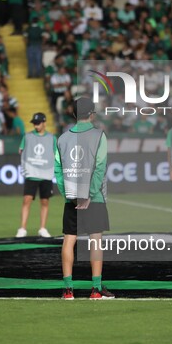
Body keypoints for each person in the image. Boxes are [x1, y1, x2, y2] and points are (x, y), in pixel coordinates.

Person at [55, 97, 114, 300]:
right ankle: (96, 289)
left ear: (73, 114)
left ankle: (68, 290)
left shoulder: (62, 138)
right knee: (95, 240)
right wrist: (88, 194)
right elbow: (100, 168)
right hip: (94, 197)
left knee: (68, 240)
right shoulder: (99, 135)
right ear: (91, 114)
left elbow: (58, 171)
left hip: (71, 198)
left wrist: (69, 196)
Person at [15, 112, 55, 238]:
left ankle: (42, 228)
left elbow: (56, 154)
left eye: (38, 123)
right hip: (32, 174)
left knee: (45, 201)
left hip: (46, 174)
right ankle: (22, 229)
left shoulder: (52, 138)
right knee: (26, 200)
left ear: (44, 123)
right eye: (34, 124)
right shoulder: (27, 136)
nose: (36, 126)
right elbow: (21, 150)